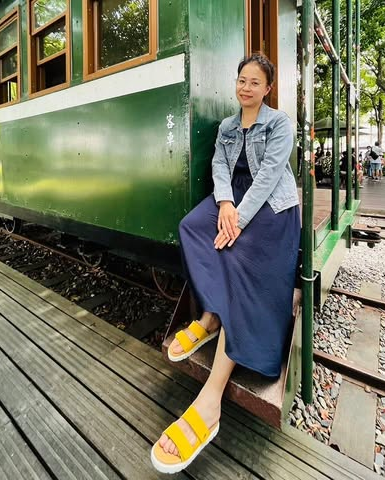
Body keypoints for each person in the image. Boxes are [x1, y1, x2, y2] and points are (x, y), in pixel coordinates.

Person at [151, 53, 301, 474]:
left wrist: (239, 219)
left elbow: (270, 176)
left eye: (255, 82)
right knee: (191, 228)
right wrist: (223, 203)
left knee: (236, 257)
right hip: (233, 201)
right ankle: (212, 317)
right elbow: (220, 165)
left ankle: (211, 397)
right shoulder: (227, 127)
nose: (246, 88)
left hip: (271, 207)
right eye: (241, 80)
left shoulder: (279, 123)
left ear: (267, 88)